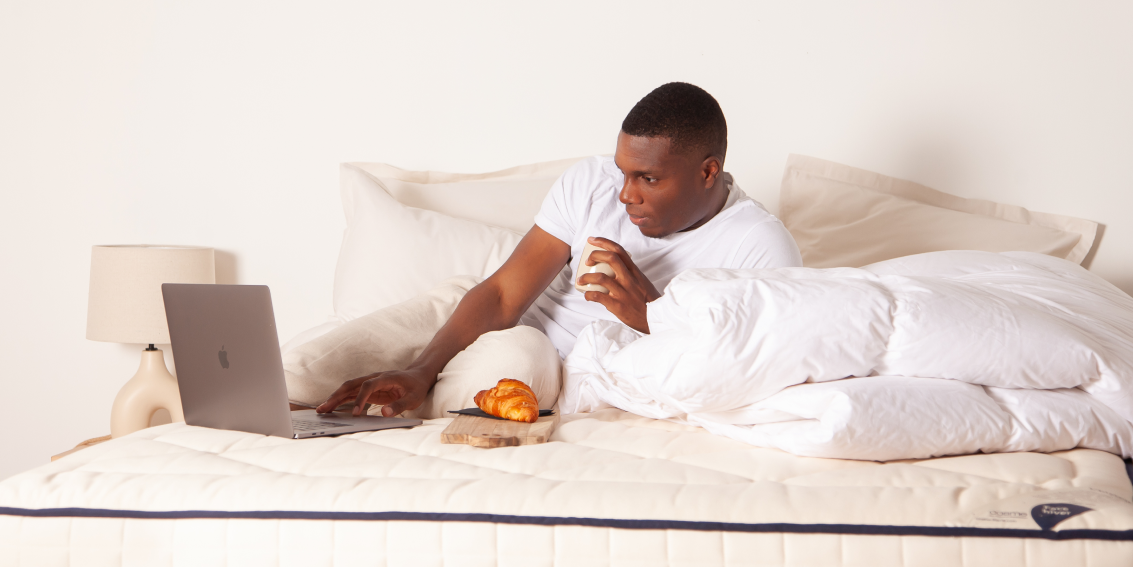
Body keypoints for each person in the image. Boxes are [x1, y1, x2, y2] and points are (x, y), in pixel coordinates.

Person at [316, 82, 802, 418]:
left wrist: (653, 314)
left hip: (539, 361)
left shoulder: (759, 247)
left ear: (707, 171)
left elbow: (744, 371)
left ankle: (397, 398)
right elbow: (505, 294)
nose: (625, 194)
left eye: (648, 179)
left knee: (522, 363)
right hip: (482, 312)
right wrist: (423, 364)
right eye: (623, 171)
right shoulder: (592, 182)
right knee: (307, 372)